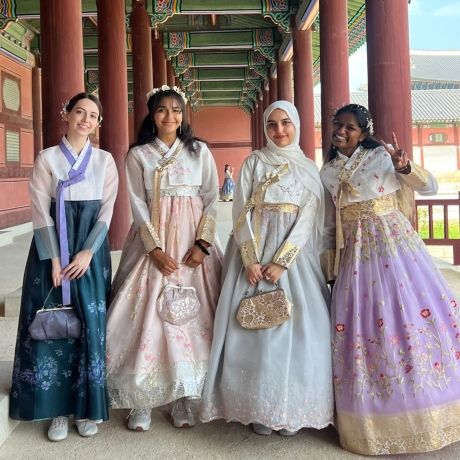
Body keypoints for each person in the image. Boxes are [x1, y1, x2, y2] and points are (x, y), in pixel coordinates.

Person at [320, 103, 460, 455]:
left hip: (394, 248)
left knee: (405, 316)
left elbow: (429, 185)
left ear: (364, 132)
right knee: (363, 327)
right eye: (338, 125)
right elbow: (328, 224)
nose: (342, 131)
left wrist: (404, 166)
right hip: (354, 256)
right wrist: (328, 267)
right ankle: (374, 417)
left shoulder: (383, 158)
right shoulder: (329, 171)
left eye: (350, 127)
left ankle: (430, 409)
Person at [200, 100, 334, 436]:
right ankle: (257, 407)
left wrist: (282, 261)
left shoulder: (306, 168)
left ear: (297, 125)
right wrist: (250, 260)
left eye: (286, 123)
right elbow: (241, 211)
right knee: (252, 332)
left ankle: (290, 408)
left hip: (293, 259)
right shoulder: (253, 164)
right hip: (253, 257)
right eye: (272, 124)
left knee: (300, 331)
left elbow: (307, 218)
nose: (279, 130)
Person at [105, 85, 222, 432]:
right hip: (154, 240)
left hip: (191, 241)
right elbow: (138, 205)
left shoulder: (198, 151)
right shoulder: (139, 155)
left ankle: (184, 396)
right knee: (145, 315)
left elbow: (212, 198)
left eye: (175, 110)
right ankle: (142, 397)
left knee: (192, 319)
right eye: (161, 110)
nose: (169, 116)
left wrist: (203, 244)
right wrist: (153, 248)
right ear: (151, 115)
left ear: (183, 114)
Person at [9, 92, 119, 441]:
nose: (86, 119)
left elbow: (106, 212)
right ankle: (54, 409)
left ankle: (86, 409)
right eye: (79, 112)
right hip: (50, 253)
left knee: (89, 323)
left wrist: (87, 253)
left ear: (98, 123)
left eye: (93, 115)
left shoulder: (104, 161)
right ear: (66, 115)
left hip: (90, 251)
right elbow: (40, 210)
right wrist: (55, 260)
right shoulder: (48, 159)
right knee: (50, 324)